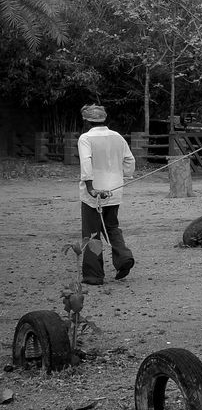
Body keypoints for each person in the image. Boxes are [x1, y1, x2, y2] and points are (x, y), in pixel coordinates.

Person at [77, 103, 136, 285]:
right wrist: (124, 175)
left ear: (86, 122)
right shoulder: (117, 137)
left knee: (92, 233)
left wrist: (90, 187)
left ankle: (93, 275)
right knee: (111, 226)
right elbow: (129, 160)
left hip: (94, 193)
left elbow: (86, 162)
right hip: (115, 190)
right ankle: (124, 257)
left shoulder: (85, 138)